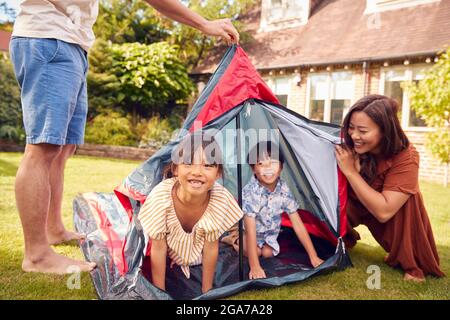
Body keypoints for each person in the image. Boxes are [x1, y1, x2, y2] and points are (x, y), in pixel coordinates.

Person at [10, 0, 240, 274]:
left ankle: (53, 230)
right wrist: (204, 24)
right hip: (47, 37)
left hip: (73, 43)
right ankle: (36, 255)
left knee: (63, 148)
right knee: (43, 147)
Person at [335, 94, 445, 282]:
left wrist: (351, 172)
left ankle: (410, 260)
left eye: (362, 130)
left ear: (385, 131)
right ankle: (340, 237)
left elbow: (384, 212)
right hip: (356, 203)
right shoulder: (350, 146)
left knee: (407, 198)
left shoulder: (407, 157)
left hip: (385, 207)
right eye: (351, 128)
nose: (354, 136)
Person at [138, 133, 243, 293]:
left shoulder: (218, 199)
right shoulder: (162, 199)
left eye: (207, 165)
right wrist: (160, 292)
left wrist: (207, 291)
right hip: (168, 249)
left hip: (196, 250)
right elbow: (158, 249)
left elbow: (211, 247)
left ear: (218, 173)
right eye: (188, 163)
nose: (197, 172)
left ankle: (234, 237)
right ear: (175, 169)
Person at [233, 141, 323, 280]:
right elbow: (251, 231)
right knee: (256, 252)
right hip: (248, 233)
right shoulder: (251, 192)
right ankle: (234, 240)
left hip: (269, 234)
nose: (268, 168)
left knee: (268, 253)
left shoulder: (283, 189)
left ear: (281, 167)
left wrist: (313, 256)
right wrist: (255, 266)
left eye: (273, 162)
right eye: (261, 163)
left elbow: (298, 224)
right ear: (253, 169)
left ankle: (251, 245)